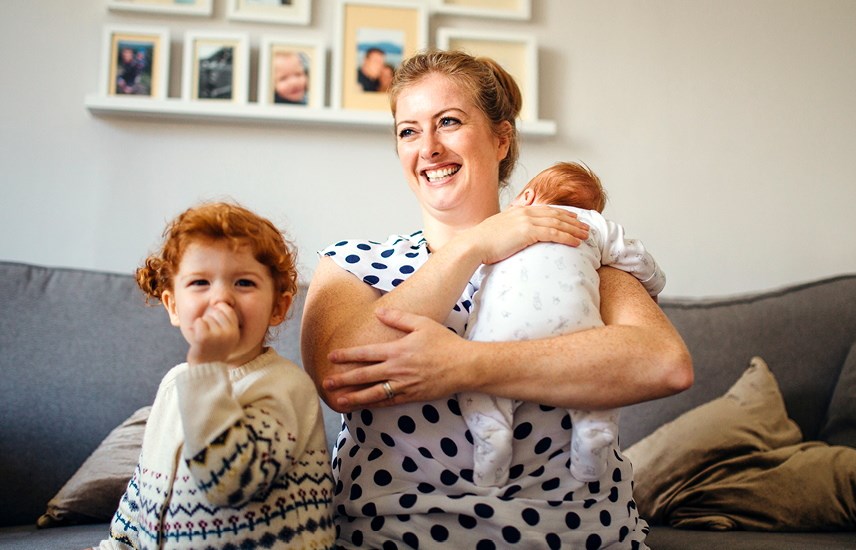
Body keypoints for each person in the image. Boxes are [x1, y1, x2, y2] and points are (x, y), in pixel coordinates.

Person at [301, 49, 693, 549]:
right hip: (395, 537)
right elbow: (342, 378)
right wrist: (475, 243)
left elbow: (664, 364)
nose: (429, 147)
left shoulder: (568, 243)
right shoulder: (352, 263)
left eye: (448, 122)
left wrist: (463, 365)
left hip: (578, 538)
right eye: (408, 131)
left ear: (500, 138)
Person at [99, 202, 336, 550]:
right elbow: (145, 488)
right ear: (174, 306)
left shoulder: (286, 387)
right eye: (199, 282)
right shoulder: (175, 385)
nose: (221, 298)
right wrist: (117, 545)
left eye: (243, 282)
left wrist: (207, 368)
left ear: (278, 308)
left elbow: (231, 481)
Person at [460, 160, 665, 488]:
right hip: (573, 330)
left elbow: (469, 274)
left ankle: (491, 440)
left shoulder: (499, 229)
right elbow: (636, 257)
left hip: (499, 333)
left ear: (525, 197)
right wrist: (654, 287)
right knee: (596, 376)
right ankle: (593, 434)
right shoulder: (593, 225)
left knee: (476, 385)